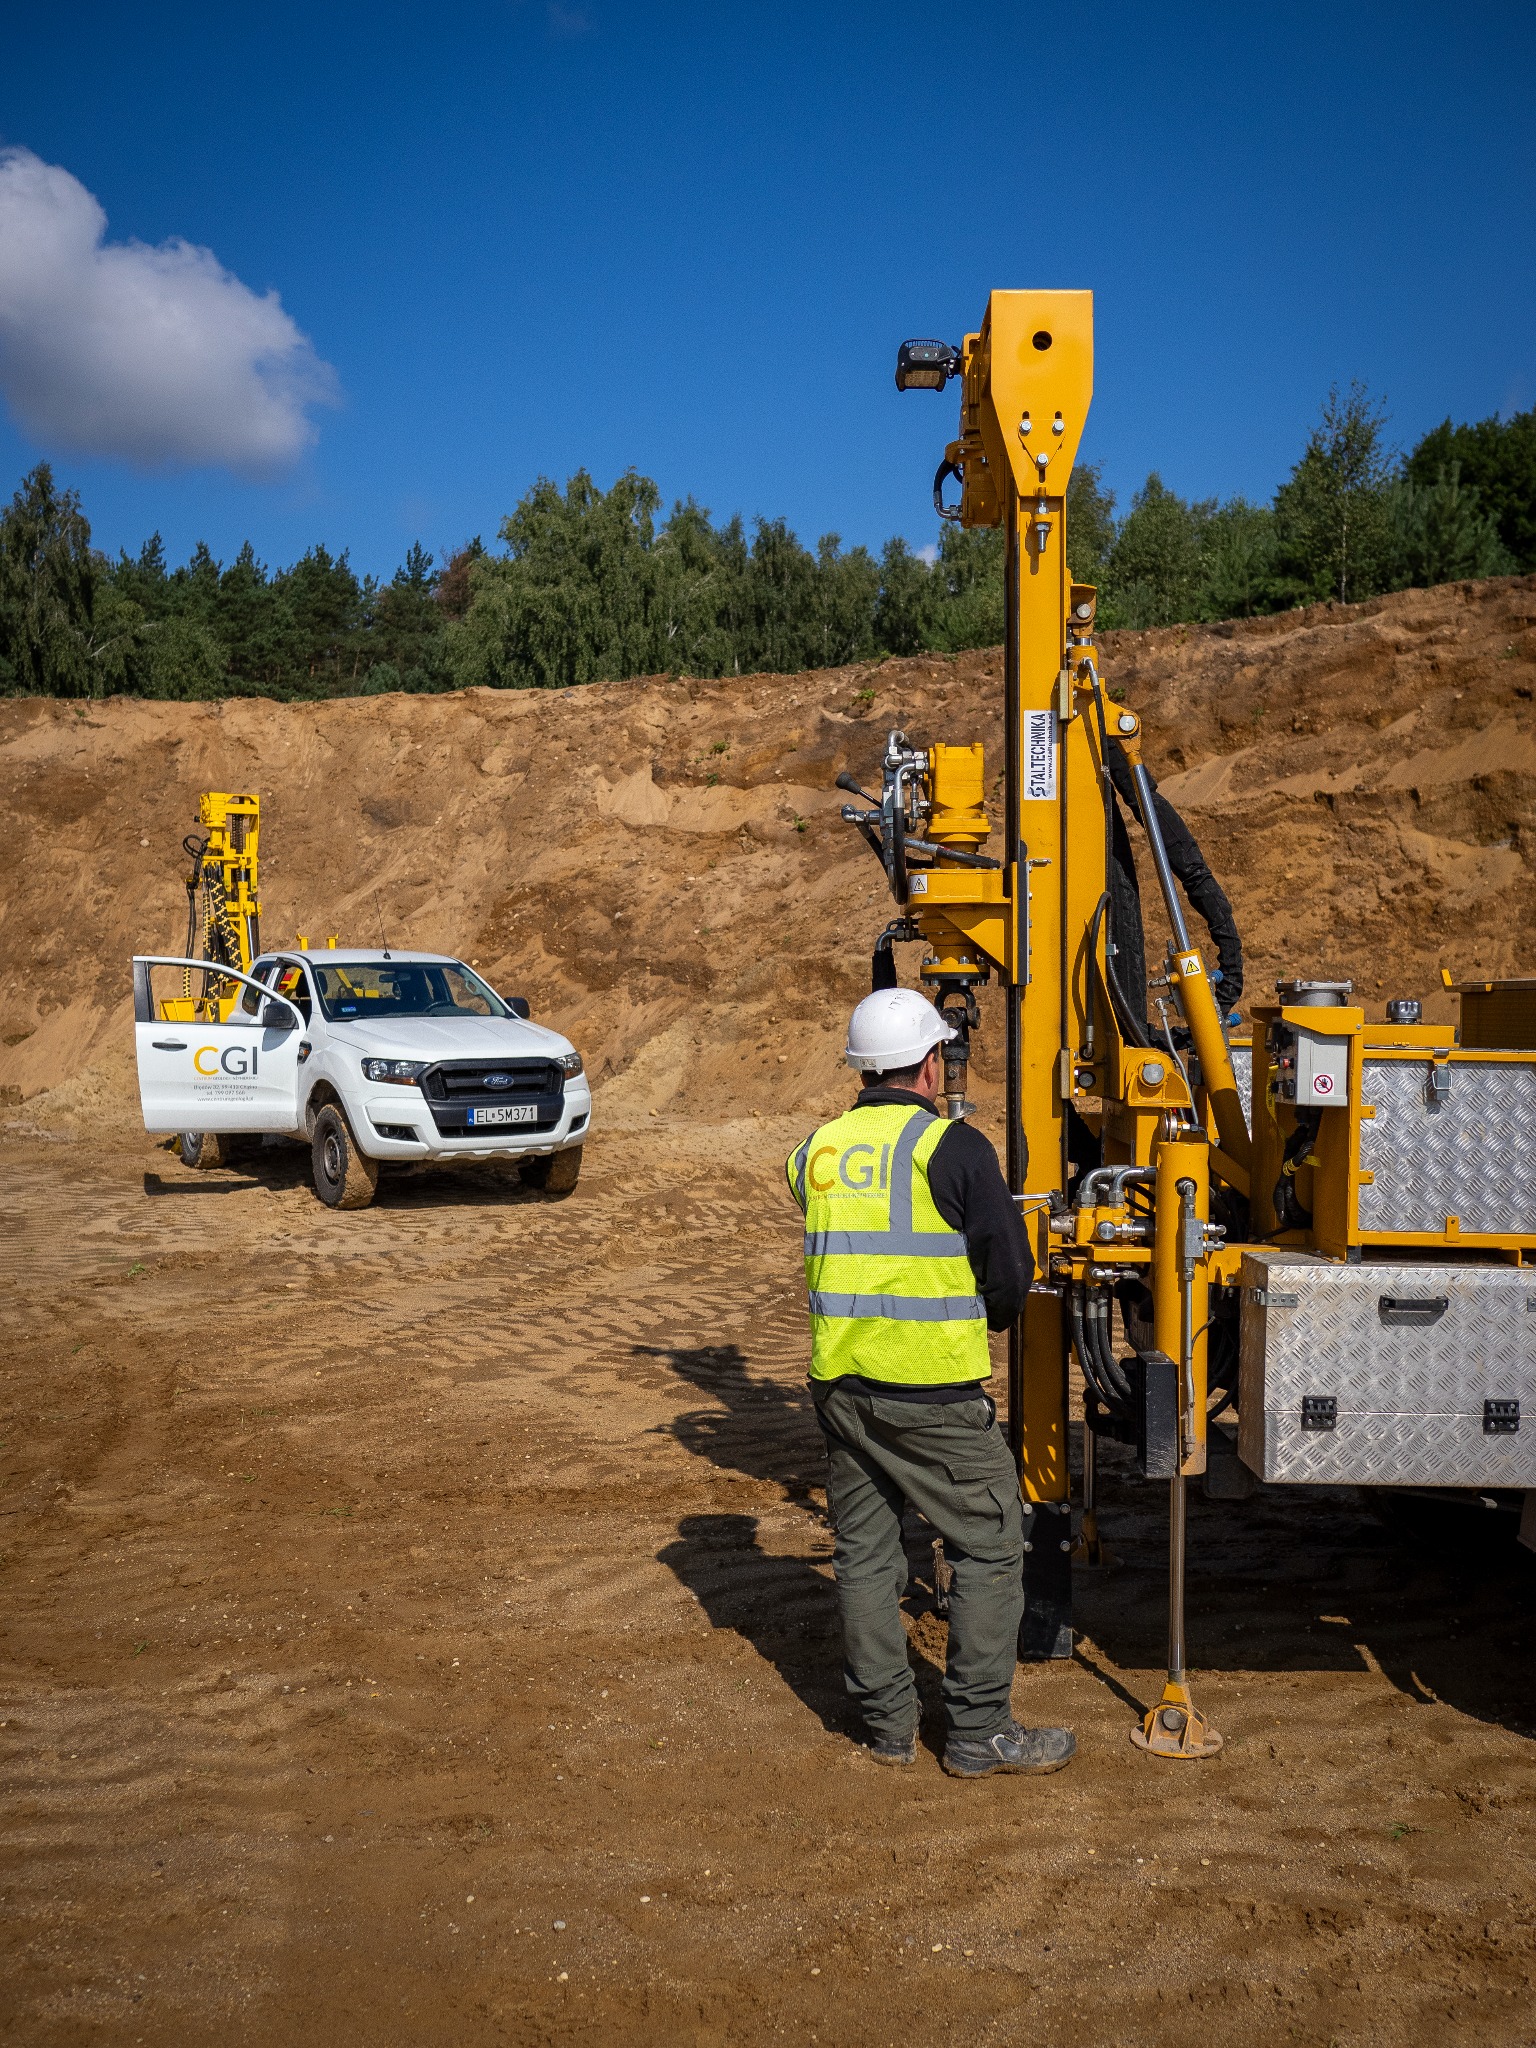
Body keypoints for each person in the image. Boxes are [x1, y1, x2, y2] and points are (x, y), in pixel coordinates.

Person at [786, 987, 1075, 1779]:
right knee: (988, 1546)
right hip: (931, 1394)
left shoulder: (815, 1149)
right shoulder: (954, 1148)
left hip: (841, 1388)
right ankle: (980, 1733)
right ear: (930, 1061)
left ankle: (887, 1728)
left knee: (867, 1555)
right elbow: (1009, 1276)